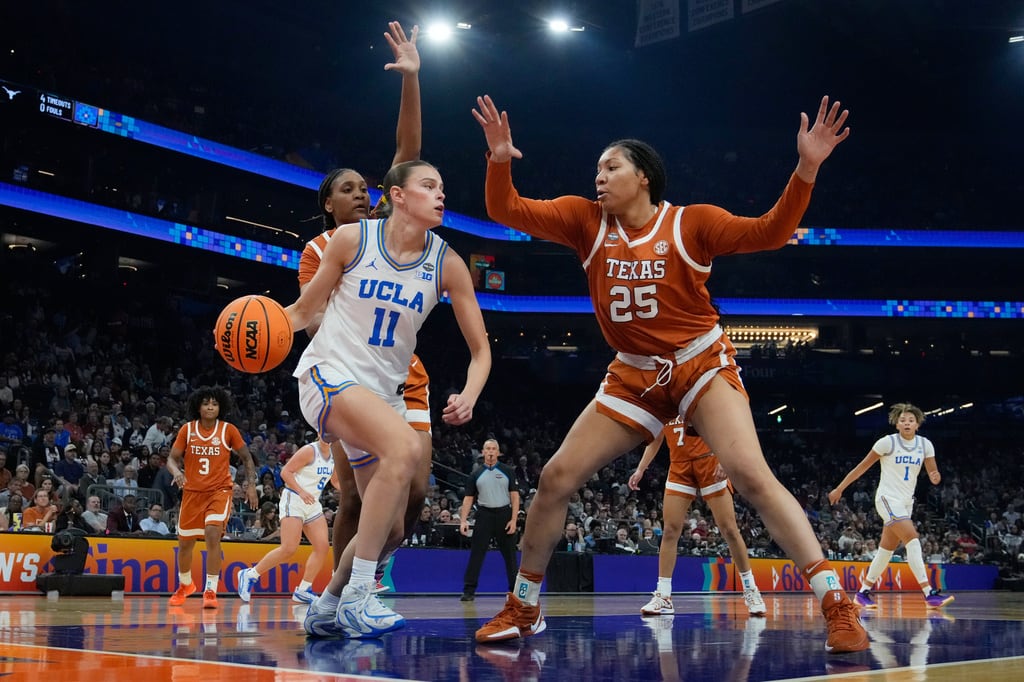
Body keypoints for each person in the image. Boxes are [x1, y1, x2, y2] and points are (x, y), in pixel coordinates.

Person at [470, 93, 867, 653]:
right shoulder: (587, 222)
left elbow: (769, 232)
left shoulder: (692, 223)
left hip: (699, 363)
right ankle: (524, 606)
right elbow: (505, 209)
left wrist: (805, 170)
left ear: (644, 177)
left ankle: (836, 603)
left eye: (611, 168)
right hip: (634, 375)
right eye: (598, 170)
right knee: (556, 478)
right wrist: (499, 158)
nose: (600, 178)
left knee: (751, 476)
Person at [287, 157, 490, 639]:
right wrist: (253, 328)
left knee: (393, 529)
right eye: (428, 185)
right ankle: (360, 597)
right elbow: (302, 311)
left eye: (442, 186)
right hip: (327, 376)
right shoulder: (352, 240)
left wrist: (470, 392)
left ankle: (329, 601)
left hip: (382, 398)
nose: (441, 194)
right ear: (398, 195)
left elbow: (481, 351)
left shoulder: (448, 263)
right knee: (406, 447)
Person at [297, 22, 436, 594]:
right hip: (347, 377)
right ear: (328, 204)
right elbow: (308, 314)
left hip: (405, 377)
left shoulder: (387, 229)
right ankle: (342, 592)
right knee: (355, 494)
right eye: (348, 188)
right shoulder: (321, 250)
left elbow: (408, 153)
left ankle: (361, 580)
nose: (362, 192)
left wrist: (411, 79)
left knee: (416, 497)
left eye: (365, 187)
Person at [629, 424, 767, 616]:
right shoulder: (663, 401)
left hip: (709, 462)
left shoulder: (699, 397)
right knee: (670, 530)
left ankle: (750, 589)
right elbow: (656, 439)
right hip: (679, 466)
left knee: (729, 529)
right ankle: (664, 595)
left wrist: (725, 459)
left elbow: (726, 428)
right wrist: (641, 469)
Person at [828, 402, 954, 609]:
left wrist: (935, 476)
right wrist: (840, 489)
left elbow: (933, 471)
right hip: (887, 499)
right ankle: (929, 593)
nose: (906, 423)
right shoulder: (887, 443)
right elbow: (862, 467)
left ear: (917, 424)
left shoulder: (925, 445)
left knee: (885, 551)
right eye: (902, 420)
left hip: (906, 503)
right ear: (896, 424)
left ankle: (862, 593)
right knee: (913, 539)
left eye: (911, 420)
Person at [166, 386, 258, 609]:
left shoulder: (228, 430)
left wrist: (252, 486)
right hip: (192, 493)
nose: (210, 407)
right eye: (206, 403)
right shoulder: (187, 430)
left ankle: (210, 590)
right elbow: (171, 459)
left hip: (219, 491)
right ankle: (185, 585)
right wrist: (177, 472)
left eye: (214, 404)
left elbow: (247, 458)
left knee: (212, 533)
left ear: (220, 408)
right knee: (185, 544)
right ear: (198, 406)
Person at [237, 439, 338, 604]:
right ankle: (250, 575)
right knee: (289, 548)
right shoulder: (310, 450)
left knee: (322, 547)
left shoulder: (334, 455)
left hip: (312, 503)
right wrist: (302, 491)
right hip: (295, 499)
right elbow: (285, 472)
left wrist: (353, 489)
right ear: (319, 432)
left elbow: (335, 481)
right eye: (324, 430)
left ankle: (303, 590)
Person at [458, 438, 521, 601]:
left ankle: (515, 591)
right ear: (483, 452)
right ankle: (469, 590)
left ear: (498, 452)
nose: (491, 451)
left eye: (494, 448)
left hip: (504, 514)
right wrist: (463, 520)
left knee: (510, 555)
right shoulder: (476, 474)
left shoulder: (508, 471)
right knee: (476, 554)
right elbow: (468, 498)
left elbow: (515, 497)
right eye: (488, 448)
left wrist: (514, 520)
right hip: (484, 515)